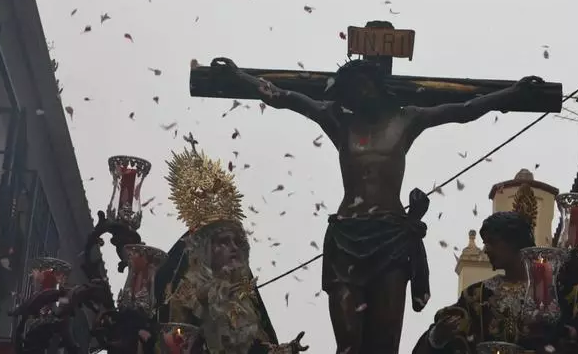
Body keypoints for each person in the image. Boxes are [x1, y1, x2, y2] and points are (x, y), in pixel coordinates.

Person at [211, 54, 547, 354]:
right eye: (352, 89)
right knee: (348, 344)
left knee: (385, 343)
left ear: (376, 84)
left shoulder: (406, 119)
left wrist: (510, 94)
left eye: (365, 85)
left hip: (390, 237)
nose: (361, 94)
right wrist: (241, 77)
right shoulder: (339, 121)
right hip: (346, 236)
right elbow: (284, 97)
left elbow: (463, 110)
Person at [154, 148, 307, 354]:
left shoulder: (243, 299)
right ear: (205, 250)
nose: (233, 247)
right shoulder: (186, 294)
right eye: (223, 242)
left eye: (237, 242)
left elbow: (255, 347)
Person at [411, 211, 545, 353]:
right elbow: (453, 338)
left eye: (492, 242)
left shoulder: (549, 292)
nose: (486, 250)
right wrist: (437, 337)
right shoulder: (476, 295)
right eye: (485, 243)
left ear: (514, 242)